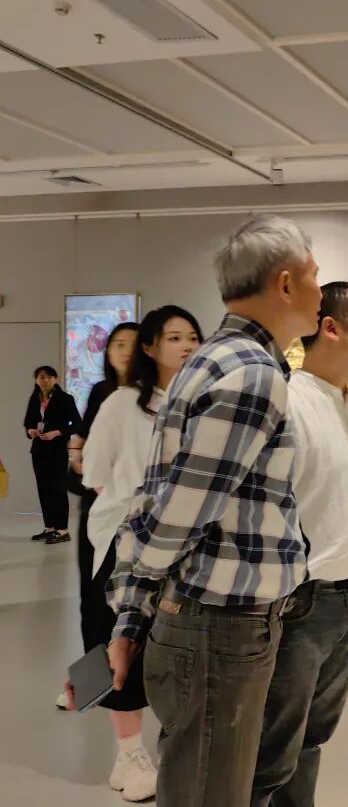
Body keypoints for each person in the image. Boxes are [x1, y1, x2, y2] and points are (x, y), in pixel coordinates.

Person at [107, 215, 322, 807]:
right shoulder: (251, 373)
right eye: (313, 275)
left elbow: (156, 496)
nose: (319, 289)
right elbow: (176, 515)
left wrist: (131, 613)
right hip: (219, 625)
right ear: (285, 283)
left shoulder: (213, 360)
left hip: (209, 619)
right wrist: (135, 604)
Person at [251, 282, 348, 807]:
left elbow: (346, 510)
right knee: (273, 748)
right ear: (331, 327)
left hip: (345, 597)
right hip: (299, 602)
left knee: (311, 737)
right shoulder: (289, 403)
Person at [72, 305, 203, 801]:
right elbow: (93, 473)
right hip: (126, 537)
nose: (186, 346)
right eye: (174, 337)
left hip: (186, 541)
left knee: (171, 645)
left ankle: (168, 747)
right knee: (116, 638)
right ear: (150, 347)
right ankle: (128, 754)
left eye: (192, 337)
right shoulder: (123, 402)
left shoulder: (201, 401)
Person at [62, 321, 138, 710]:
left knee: (130, 606)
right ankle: (89, 684)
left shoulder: (154, 398)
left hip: (136, 514)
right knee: (93, 600)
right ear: (107, 353)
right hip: (99, 512)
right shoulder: (101, 393)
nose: (125, 350)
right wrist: (81, 463)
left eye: (133, 343)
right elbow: (81, 454)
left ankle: (129, 686)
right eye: (118, 344)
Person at [22, 365, 82, 544]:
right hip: (38, 450)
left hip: (57, 449)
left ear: (56, 379)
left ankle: (62, 530)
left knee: (58, 489)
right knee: (43, 489)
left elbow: (77, 424)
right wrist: (31, 431)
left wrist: (56, 433)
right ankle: (50, 527)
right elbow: (28, 422)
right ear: (36, 380)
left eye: (49, 377)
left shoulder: (65, 399)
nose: (46, 380)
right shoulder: (34, 398)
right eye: (42, 377)